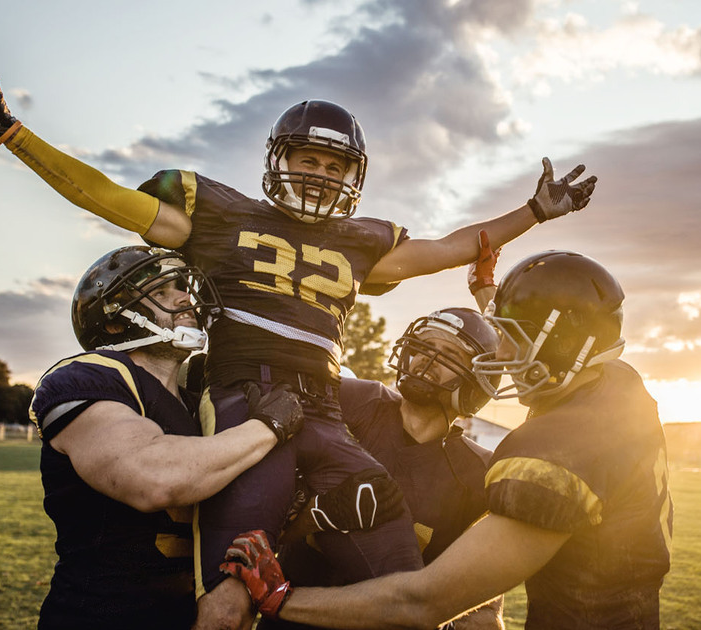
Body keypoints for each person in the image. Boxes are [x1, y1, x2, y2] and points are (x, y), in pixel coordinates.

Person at [0, 67, 596, 619]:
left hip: (324, 410)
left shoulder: (363, 243)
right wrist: (10, 131)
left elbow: (455, 245)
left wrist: (534, 211)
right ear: (278, 160)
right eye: (308, 161)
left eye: (334, 165)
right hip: (245, 399)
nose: (320, 176)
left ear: (355, 176)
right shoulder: (216, 213)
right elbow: (105, 195)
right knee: (231, 597)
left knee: (396, 559)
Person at [217, 250, 675, 630]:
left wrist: (280, 597)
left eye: (516, 341)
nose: (504, 356)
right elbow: (563, 345)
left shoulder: (548, 451)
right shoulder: (617, 383)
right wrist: (490, 297)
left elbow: (426, 603)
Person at [27, 245, 302, 629]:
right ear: (113, 323)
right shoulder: (92, 374)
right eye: (160, 292)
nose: (185, 297)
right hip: (98, 616)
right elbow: (154, 477)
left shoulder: (198, 400)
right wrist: (268, 426)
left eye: (180, 286)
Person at [264, 306, 506, 630]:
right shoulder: (348, 401)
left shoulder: (479, 475)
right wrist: (317, 515)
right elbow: (262, 516)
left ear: (477, 382)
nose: (427, 360)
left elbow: (486, 610)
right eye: (424, 347)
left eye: (449, 354)